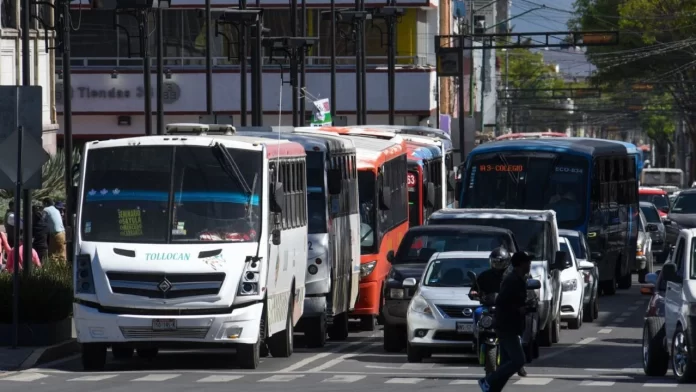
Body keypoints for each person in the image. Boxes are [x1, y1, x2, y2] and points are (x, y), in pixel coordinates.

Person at [478, 251, 532, 392]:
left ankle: (492, 389)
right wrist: (519, 309)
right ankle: (488, 380)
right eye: (527, 262)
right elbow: (502, 302)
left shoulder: (519, 279)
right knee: (518, 361)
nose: (530, 264)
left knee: (506, 364)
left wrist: (525, 306)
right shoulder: (512, 280)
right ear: (520, 264)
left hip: (510, 326)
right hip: (507, 327)